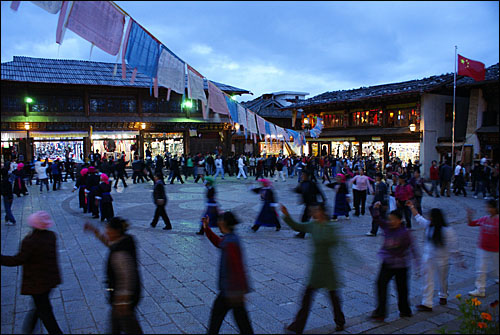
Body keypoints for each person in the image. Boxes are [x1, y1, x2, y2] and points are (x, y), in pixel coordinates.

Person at [281, 203, 346, 333]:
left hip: (328, 268)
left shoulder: (330, 227)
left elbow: (337, 243)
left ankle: (340, 321)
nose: (312, 213)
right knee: (307, 298)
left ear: (321, 212)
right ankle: (297, 326)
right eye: (312, 210)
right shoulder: (313, 225)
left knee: (333, 297)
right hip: (316, 268)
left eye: (315, 210)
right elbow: (297, 226)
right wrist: (287, 215)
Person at [1, 211, 63, 334]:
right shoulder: (51, 236)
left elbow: (18, 259)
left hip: (37, 282)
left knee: (45, 311)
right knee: (39, 307)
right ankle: (29, 330)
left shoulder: (30, 241)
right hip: (50, 279)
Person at [84, 218, 143, 334]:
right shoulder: (126, 240)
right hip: (123, 298)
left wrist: (123, 301)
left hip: (123, 300)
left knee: (130, 328)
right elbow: (110, 244)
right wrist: (94, 231)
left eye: (108, 230)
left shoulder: (120, 253)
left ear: (116, 232)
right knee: (116, 327)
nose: (106, 232)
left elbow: (126, 277)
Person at [201, 212, 253, 334]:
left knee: (217, 318)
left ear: (223, 223)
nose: (218, 222)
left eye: (220, 220)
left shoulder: (230, 243)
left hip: (231, 291)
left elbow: (237, 268)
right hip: (233, 291)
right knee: (242, 322)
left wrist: (239, 291)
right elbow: (218, 242)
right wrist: (206, 228)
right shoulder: (230, 238)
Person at [406, 201, 464, 311]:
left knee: (443, 279)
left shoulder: (447, 231)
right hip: (428, 258)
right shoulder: (429, 226)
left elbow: (453, 247)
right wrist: (412, 207)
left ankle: (443, 295)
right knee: (428, 280)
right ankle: (427, 302)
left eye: (431, 216)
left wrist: (459, 259)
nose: (429, 218)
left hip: (442, 259)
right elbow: (418, 218)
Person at [369, 202, 420, 322]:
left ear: (399, 220)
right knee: (380, 285)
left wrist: (418, 264)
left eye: (393, 220)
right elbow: (377, 219)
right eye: (389, 219)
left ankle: (405, 310)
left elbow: (413, 249)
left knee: (402, 288)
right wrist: (376, 209)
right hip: (387, 263)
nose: (391, 222)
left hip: (401, 265)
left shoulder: (405, 233)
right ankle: (380, 312)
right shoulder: (387, 227)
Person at [466, 200, 499, 297]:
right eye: (487, 207)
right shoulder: (484, 219)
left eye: (490, 207)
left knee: (496, 267)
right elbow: (471, 223)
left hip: (496, 248)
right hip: (483, 248)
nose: (488, 209)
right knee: (481, 268)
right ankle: (480, 289)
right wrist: (469, 215)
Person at [294, 171, 327, 238]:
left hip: (313, 204)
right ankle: (302, 233)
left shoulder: (312, 184)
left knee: (308, 219)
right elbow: (299, 190)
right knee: (305, 219)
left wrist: (323, 200)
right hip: (308, 204)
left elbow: (319, 192)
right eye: (302, 175)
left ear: (307, 176)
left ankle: (303, 233)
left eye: (303, 175)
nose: (302, 176)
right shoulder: (302, 183)